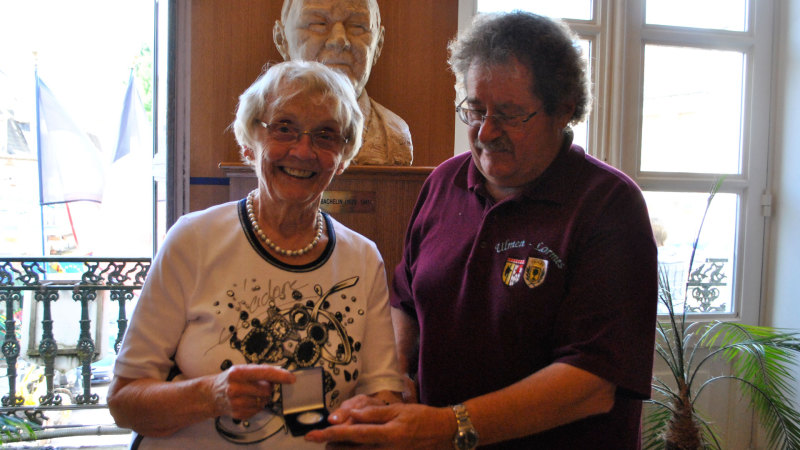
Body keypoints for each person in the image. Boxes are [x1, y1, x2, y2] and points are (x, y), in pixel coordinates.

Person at [305, 11, 658, 449]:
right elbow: (407, 303)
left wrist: (447, 427)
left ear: (563, 109)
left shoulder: (608, 204)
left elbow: (591, 382)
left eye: (510, 114)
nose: (486, 131)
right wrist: (393, 381)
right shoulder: (443, 182)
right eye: (475, 109)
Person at [107, 60, 404, 449]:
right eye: (284, 128)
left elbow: (384, 393)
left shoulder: (362, 259)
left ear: (344, 155)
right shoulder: (193, 240)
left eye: (326, 135)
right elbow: (124, 403)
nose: (303, 150)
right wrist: (211, 394)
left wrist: (366, 412)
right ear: (250, 139)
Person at [273, 0, 413, 166]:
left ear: (378, 45)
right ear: (282, 40)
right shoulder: (261, 126)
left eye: (357, 26)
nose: (339, 40)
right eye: (319, 24)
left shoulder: (395, 134)